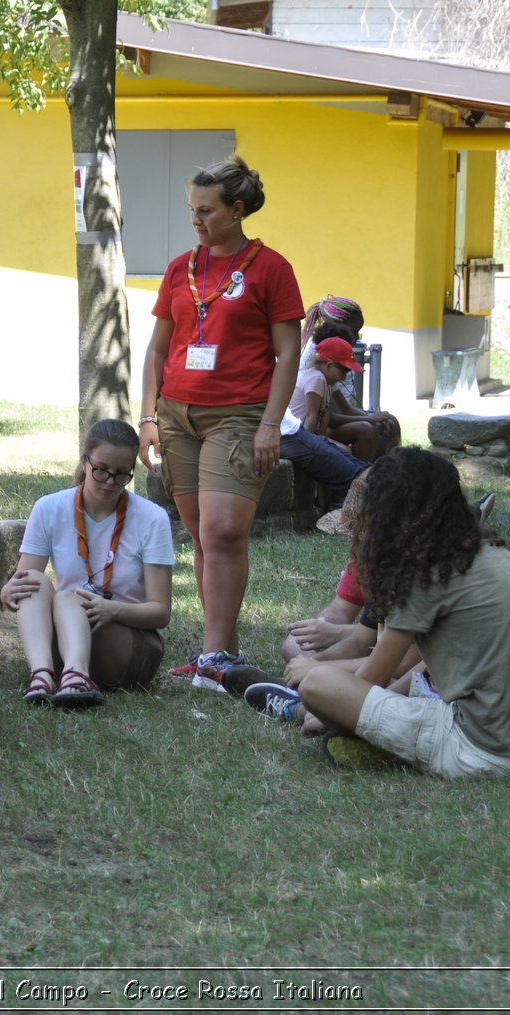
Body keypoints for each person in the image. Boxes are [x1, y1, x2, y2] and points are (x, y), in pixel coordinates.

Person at [254, 449, 510, 778]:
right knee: (331, 690)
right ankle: (344, 726)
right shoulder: (486, 552)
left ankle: (316, 718)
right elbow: (422, 670)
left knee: (317, 683)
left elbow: (374, 678)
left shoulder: (426, 571)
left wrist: (327, 703)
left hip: (476, 750)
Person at [136, 156, 304, 689]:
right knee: (200, 536)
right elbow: (158, 347)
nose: (196, 220)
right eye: (192, 210)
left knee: (223, 532)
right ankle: (221, 651)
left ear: (237, 210)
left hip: (240, 414)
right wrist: (147, 417)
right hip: (176, 414)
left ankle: (212, 660)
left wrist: (271, 425)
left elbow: (288, 354)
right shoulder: (180, 268)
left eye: (206, 210)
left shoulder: (271, 268)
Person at [0, 420, 174, 708]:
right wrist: (9, 594)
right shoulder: (49, 507)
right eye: (101, 471)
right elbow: (24, 584)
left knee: (71, 596)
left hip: (126, 641)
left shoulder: (152, 518)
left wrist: (112, 609)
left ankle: (75, 676)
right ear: (84, 461)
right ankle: (43, 675)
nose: (109, 482)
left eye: (122, 475)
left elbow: (160, 612)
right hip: (67, 633)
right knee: (34, 581)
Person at [298, 295, 400, 461]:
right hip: (314, 431)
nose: (356, 337)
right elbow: (327, 419)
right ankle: (358, 479)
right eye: (354, 331)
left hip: (323, 427)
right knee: (366, 430)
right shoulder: (318, 368)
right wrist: (369, 419)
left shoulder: (330, 362)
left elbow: (344, 409)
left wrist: (372, 418)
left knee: (388, 424)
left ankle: (376, 478)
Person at [278, 335, 369, 506]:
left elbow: (326, 416)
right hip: (297, 432)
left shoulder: (326, 381)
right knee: (347, 463)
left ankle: (342, 500)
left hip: (299, 432)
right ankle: (345, 501)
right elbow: (312, 418)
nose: (344, 377)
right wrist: (318, 441)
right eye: (344, 370)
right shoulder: (316, 379)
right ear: (328, 365)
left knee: (345, 455)